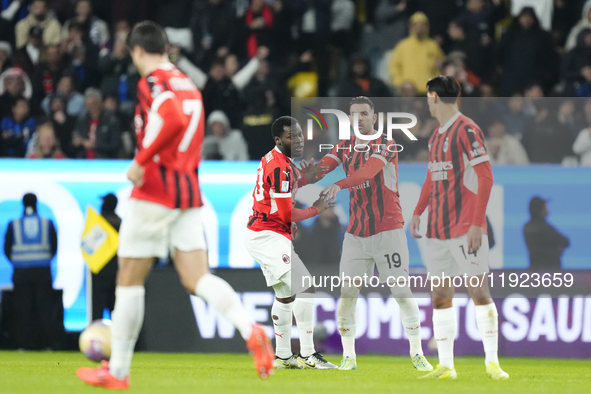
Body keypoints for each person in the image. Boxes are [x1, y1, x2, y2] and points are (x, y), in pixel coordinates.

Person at [76, 21, 273, 389]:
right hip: (188, 193)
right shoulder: (188, 82)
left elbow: (170, 116)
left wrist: (141, 161)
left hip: (154, 192)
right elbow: (186, 122)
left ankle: (117, 372)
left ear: (137, 51)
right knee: (197, 277)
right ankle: (251, 330)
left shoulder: (153, 82)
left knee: (128, 280)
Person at [317, 96, 432, 372]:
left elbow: (368, 173)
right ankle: (348, 357)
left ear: (374, 117)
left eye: (364, 113)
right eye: (354, 114)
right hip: (356, 235)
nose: (359, 118)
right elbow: (321, 168)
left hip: (388, 232)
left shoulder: (386, 143)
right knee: (347, 294)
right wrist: (294, 175)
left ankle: (417, 352)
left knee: (402, 292)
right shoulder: (344, 146)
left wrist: (338, 185)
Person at [409, 76, 508, 380]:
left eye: (428, 96)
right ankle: (446, 366)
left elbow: (486, 176)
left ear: (434, 97)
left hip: (466, 226)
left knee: (478, 290)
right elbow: (431, 177)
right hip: (438, 230)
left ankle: (492, 362)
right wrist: (418, 211)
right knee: (440, 296)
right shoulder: (437, 136)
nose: (427, 101)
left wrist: (478, 223)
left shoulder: (466, 129)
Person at [244, 116, 337, 370]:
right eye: (290, 136)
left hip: (266, 234)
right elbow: (286, 214)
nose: (296, 140)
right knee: (306, 286)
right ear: (278, 140)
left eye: (298, 135)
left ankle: (284, 356)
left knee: (285, 296)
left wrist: (306, 178)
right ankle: (308, 354)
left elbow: (288, 184)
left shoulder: (280, 162)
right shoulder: (280, 167)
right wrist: (316, 209)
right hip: (268, 235)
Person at [3, 193, 59, 350]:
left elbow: (6, 249)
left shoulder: (13, 224)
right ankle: (48, 344)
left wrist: (19, 261)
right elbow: (54, 247)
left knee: (23, 309)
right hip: (43, 271)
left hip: (21, 272)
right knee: (45, 308)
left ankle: (23, 344)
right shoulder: (46, 223)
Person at [388, 12, 444, 95]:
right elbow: (394, 67)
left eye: (422, 25)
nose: (419, 28)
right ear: (411, 27)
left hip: (429, 92)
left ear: (427, 27)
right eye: (416, 25)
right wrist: (401, 83)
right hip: (409, 92)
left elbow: (441, 67)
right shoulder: (403, 46)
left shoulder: (433, 46)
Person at [91, 193, 121, 320]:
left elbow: (89, 247)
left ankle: (95, 339)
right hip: (117, 274)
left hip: (99, 273)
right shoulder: (121, 223)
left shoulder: (97, 224)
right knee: (116, 313)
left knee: (97, 314)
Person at [72, 88, 122, 159]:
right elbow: (73, 142)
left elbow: (116, 144)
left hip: (104, 161)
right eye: (88, 105)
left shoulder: (111, 121)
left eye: (93, 104)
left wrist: (95, 145)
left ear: (100, 103)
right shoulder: (82, 121)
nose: (91, 108)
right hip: (83, 161)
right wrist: (78, 142)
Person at [523, 197, 570, 271]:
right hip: (550, 271)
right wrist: (556, 248)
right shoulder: (544, 227)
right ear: (540, 210)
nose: (547, 208)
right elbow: (565, 241)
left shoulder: (527, 227)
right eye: (545, 206)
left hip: (535, 269)